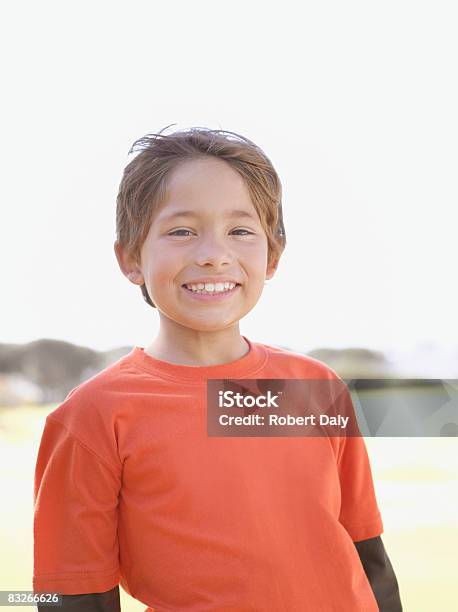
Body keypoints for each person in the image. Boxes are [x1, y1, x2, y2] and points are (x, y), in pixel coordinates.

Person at [33, 126, 402, 611]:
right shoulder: (92, 417)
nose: (212, 255)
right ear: (129, 258)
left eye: (240, 231)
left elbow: (367, 554)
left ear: (273, 255)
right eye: (182, 231)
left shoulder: (315, 388)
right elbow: (70, 595)